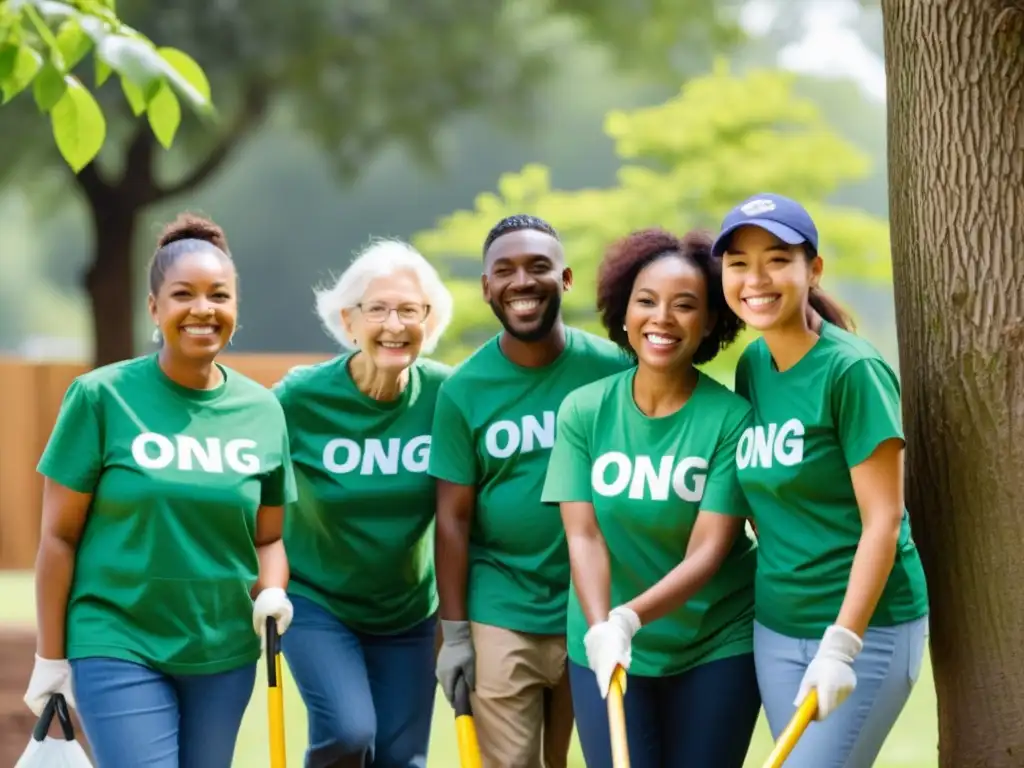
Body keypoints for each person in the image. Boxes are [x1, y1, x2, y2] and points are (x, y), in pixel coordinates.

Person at [23, 213, 296, 768]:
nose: (203, 309)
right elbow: (58, 536)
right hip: (118, 640)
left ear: (236, 309)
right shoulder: (100, 398)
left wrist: (272, 591)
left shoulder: (262, 410)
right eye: (183, 295)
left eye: (219, 295)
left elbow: (268, 539)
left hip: (222, 650)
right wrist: (50, 658)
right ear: (154, 308)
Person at [713, 192, 930, 767]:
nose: (755, 278)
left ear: (813, 270)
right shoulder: (752, 366)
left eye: (777, 259)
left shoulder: (853, 371)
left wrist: (843, 643)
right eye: (738, 263)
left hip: (865, 629)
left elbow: (884, 520)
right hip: (778, 627)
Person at [540, 228, 761, 768]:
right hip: (605, 639)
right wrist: (601, 630)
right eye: (646, 301)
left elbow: (709, 551)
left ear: (710, 321)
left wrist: (628, 619)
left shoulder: (731, 419)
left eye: (685, 306)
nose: (662, 318)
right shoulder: (583, 411)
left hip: (715, 642)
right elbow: (584, 536)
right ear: (623, 312)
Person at [429, 214, 632, 767]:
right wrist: (455, 636)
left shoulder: (613, 370)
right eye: (505, 270)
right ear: (487, 288)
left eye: (538, 267)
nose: (522, 281)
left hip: (594, 603)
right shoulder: (463, 390)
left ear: (565, 280)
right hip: (501, 604)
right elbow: (452, 519)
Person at [272, 238, 454, 768]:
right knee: (349, 735)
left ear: (429, 322)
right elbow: (247, 474)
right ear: (349, 322)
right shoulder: (299, 398)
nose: (394, 324)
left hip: (409, 613)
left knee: (403, 762)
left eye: (409, 310)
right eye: (377, 309)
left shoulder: (448, 397)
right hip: (317, 603)